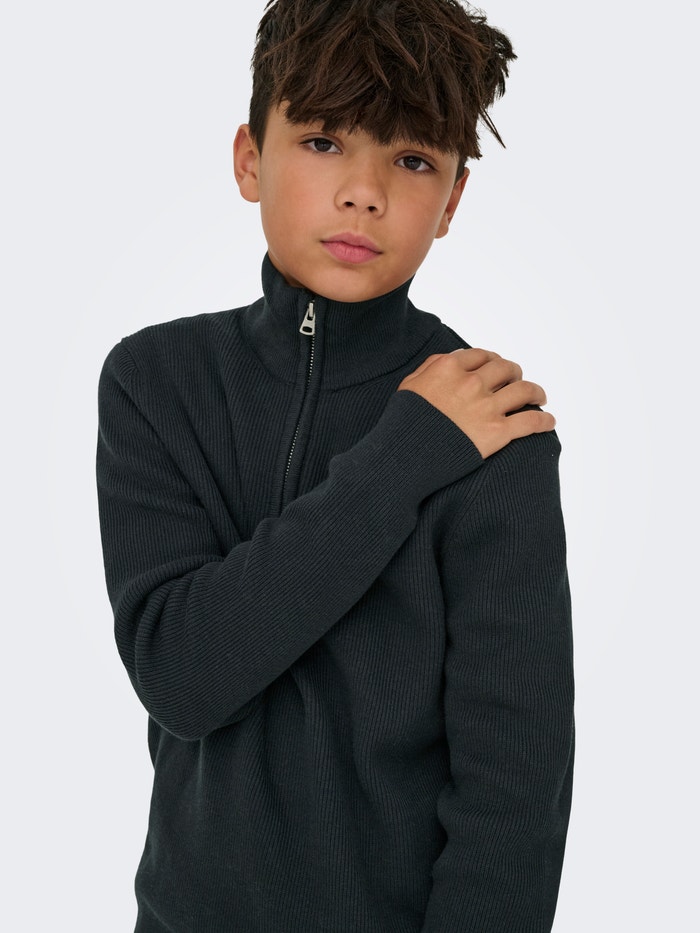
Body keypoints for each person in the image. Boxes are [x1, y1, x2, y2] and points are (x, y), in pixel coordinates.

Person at [96, 0, 574, 929]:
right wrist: (403, 454)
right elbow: (184, 677)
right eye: (323, 142)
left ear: (452, 201)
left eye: (412, 160)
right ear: (250, 159)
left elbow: (516, 789)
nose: (364, 192)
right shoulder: (156, 381)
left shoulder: (494, 425)